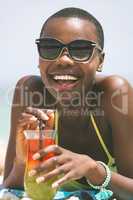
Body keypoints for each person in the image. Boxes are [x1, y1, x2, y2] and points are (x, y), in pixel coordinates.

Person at [2, 7, 133, 200]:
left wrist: (94, 170)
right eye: (50, 48)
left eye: (81, 50)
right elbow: (10, 188)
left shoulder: (114, 93)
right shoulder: (30, 92)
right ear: (39, 58)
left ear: (100, 61)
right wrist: (22, 163)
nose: (63, 60)